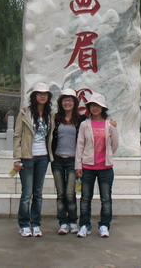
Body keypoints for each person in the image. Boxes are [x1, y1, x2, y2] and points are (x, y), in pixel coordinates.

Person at [13, 82, 54, 237]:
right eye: (39, 93)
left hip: (43, 157)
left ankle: (36, 223)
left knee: (38, 193)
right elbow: (17, 135)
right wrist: (17, 158)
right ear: (34, 96)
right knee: (27, 193)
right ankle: (24, 224)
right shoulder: (25, 113)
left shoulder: (50, 114)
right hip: (27, 157)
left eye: (45, 94)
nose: (42, 96)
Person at [75, 92, 119, 238]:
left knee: (105, 198)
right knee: (85, 198)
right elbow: (80, 145)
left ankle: (104, 225)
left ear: (103, 108)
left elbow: (114, 144)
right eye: (92, 105)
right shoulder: (84, 125)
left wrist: (108, 156)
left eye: (97, 106)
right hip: (88, 167)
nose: (95, 108)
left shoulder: (110, 125)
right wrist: (78, 165)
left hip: (105, 168)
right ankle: (84, 225)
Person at [50, 88, 83, 235]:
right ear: (60, 102)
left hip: (73, 161)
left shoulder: (81, 120)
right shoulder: (55, 118)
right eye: (64, 100)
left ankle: (73, 221)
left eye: (70, 100)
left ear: (74, 103)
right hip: (57, 159)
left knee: (70, 193)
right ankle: (63, 222)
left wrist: (110, 122)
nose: (67, 103)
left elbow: (96, 121)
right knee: (60, 193)